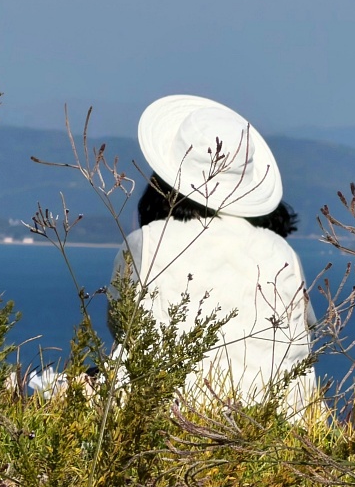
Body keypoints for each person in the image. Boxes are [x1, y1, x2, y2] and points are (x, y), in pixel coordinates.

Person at [106, 94, 317, 415]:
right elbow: (305, 335)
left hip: (165, 423)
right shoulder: (281, 252)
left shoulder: (145, 243)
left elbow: (120, 326)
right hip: (278, 426)